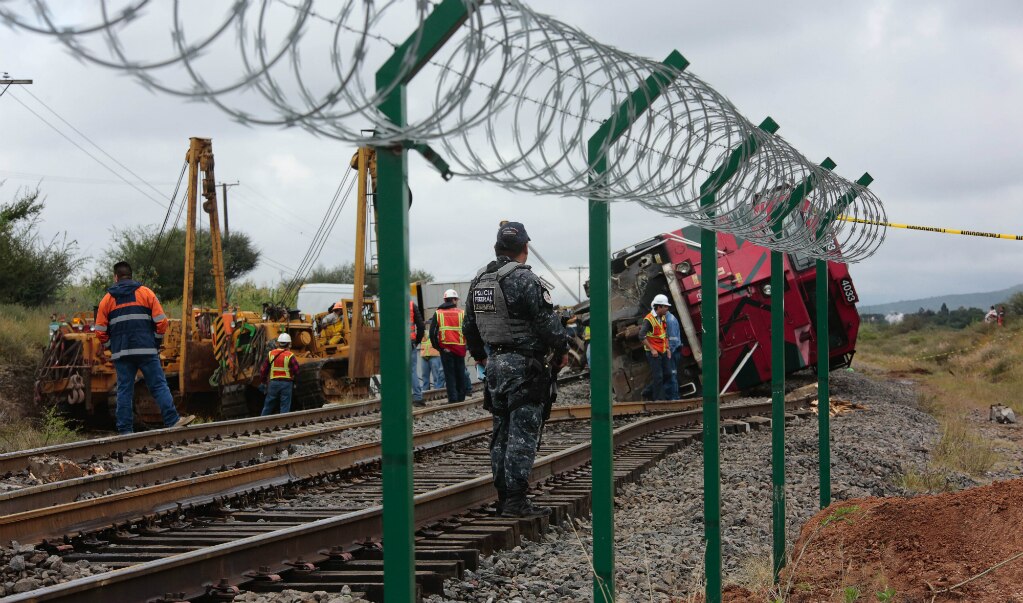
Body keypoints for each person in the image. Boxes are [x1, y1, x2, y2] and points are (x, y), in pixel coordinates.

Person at [464, 221, 571, 517]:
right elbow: (549, 327)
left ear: (497, 247)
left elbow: (469, 327)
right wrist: (562, 350)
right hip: (524, 366)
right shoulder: (525, 280)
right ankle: (515, 501)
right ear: (524, 248)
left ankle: (503, 496)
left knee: (501, 432)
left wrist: (482, 358)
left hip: (495, 365)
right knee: (522, 432)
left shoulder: (480, 281)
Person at [95, 261, 195, 434]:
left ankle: (125, 431)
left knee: (124, 390)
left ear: (115, 277)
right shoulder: (146, 293)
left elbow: (100, 331)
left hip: (122, 353)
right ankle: (172, 420)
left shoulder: (107, 300)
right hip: (146, 350)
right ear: (131, 276)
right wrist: (155, 341)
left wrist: (113, 346)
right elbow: (162, 322)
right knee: (158, 385)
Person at [430, 289, 468, 403]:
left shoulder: (438, 313)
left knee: (449, 375)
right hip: (460, 349)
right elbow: (468, 330)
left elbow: (432, 333)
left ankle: (453, 399)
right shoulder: (461, 313)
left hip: (446, 350)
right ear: (454, 300)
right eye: (456, 299)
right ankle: (461, 398)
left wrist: (439, 348)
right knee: (461, 373)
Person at [640, 294, 674, 401]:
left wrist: (667, 348)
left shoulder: (662, 317)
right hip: (653, 353)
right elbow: (641, 336)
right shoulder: (649, 320)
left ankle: (647, 391)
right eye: (665, 306)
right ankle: (659, 400)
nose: (667, 309)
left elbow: (665, 333)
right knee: (658, 377)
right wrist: (652, 349)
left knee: (668, 374)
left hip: (663, 351)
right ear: (659, 307)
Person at [260, 333, 300, 415]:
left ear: (278, 343)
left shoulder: (271, 354)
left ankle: (262, 422)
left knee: (268, 405)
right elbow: (296, 370)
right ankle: (283, 424)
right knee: (285, 406)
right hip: (286, 384)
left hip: (273, 383)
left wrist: (264, 381)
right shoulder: (290, 355)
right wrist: (295, 381)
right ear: (289, 344)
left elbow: (264, 370)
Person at [419, 321, 446, 391]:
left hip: (434, 355)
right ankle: (425, 393)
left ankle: (437, 393)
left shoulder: (437, 331)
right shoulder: (422, 332)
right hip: (424, 355)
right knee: (425, 377)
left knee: (436, 377)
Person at [664, 309, 683, 400]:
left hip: (672, 352)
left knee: (671, 375)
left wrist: (668, 353)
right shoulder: (667, 319)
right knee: (671, 375)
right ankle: (673, 398)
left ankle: (674, 399)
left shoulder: (669, 320)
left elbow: (673, 341)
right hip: (673, 352)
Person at [410, 300, 426, 406]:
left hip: (394, 344)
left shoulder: (389, 304)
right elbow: (421, 326)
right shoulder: (412, 305)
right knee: (412, 370)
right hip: (409, 342)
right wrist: (417, 341)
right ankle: (417, 397)